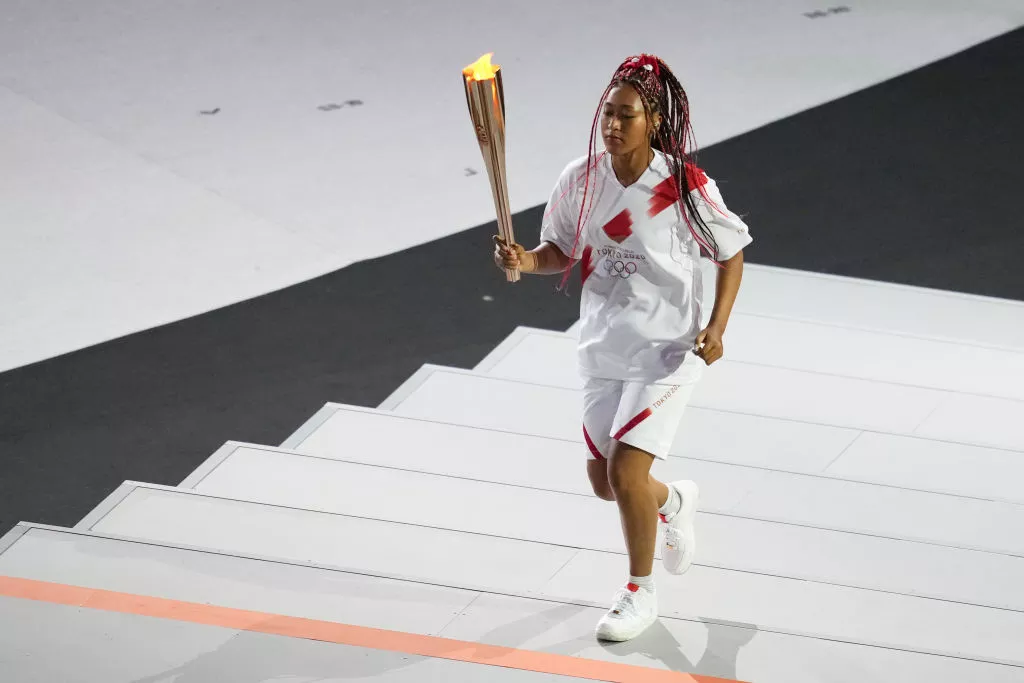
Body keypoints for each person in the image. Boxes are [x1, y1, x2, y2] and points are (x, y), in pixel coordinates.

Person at [492, 53, 752, 642]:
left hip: (668, 347)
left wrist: (717, 327)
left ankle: (640, 593)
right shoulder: (580, 180)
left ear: (654, 121)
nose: (612, 124)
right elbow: (560, 250)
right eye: (607, 112)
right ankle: (674, 502)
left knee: (627, 470)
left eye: (626, 114)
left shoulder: (684, 186)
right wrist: (524, 261)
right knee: (606, 482)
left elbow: (731, 252)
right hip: (604, 344)